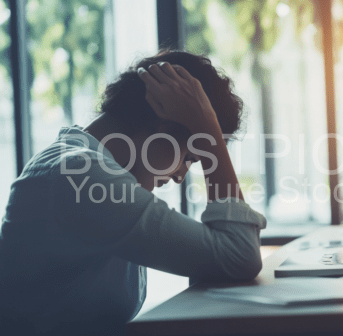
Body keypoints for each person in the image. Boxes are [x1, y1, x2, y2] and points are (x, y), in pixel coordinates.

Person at [0, 50, 266, 336]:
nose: (179, 176)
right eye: (191, 156)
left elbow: (224, 257)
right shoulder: (80, 175)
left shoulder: (88, 170)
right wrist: (209, 132)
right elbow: (239, 255)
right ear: (162, 126)